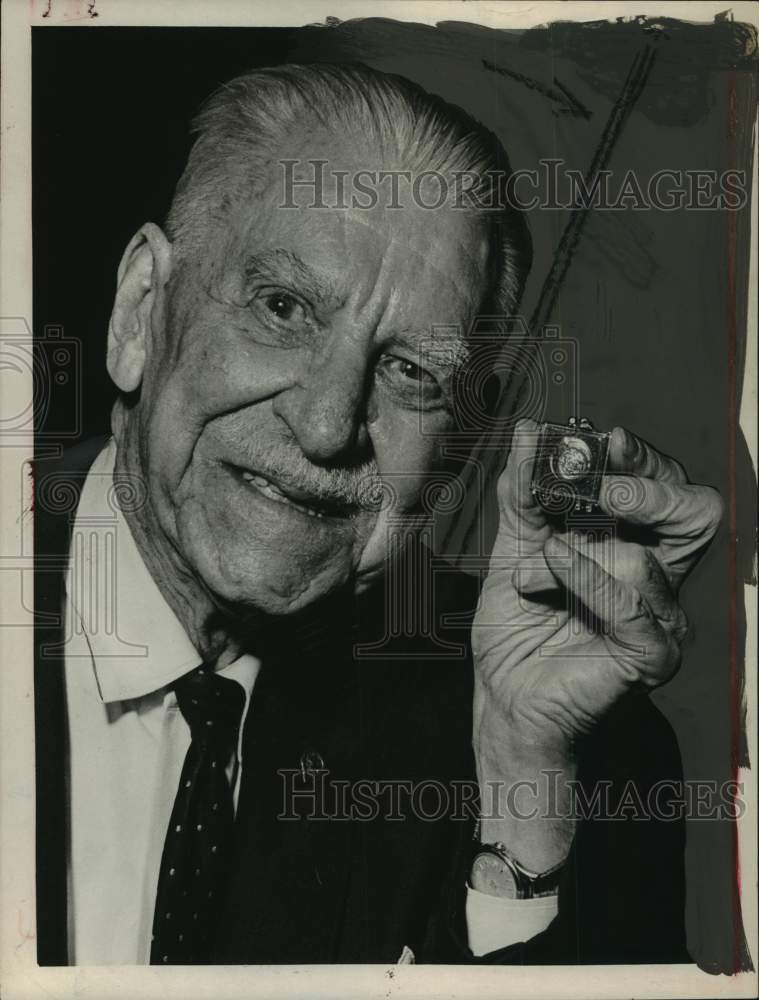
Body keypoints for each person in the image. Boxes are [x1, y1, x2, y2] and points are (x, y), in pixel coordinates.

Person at [34, 62, 723, 966]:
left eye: (411, 373)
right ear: (138, 311)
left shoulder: (570, 747)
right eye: (281, 309)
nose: (325, 426)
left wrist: (521, 778)